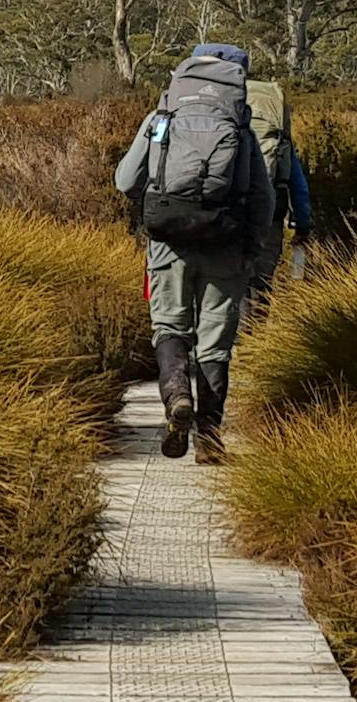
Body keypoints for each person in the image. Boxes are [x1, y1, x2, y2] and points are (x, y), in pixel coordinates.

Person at [115, 42, 273, 463]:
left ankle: (177, 397)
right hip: (226, 244)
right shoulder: (241, 130)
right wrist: (252, 251)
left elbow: (126, 180)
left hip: (169, 242)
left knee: (169, 327)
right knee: (215, 345)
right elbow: (263, 199)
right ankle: (209, 442)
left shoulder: (162, 117)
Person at [245, 76, 313, 311]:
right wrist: (302, 225)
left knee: (234, 280)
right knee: (262, 281)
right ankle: (258, 340)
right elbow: (298, 185)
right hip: (271, 215)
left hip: (230, 215)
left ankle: (234, 341)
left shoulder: (230, 131)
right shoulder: (280, 138)